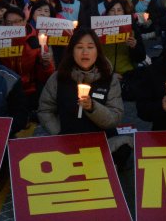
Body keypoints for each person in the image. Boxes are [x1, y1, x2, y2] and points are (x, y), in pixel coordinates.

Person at [37, 28, 131, 166]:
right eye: (79, 47)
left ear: (97, 51)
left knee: (123, 150)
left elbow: (115, 117)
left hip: (102, 141)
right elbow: (45, 110)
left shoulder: (109, 79)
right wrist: (59, 133)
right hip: (68, 142)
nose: (85, 52)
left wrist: (93, 107)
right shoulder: (58, 78)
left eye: (90, 47)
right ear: (72, 51)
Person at [0, 6, 55, 112]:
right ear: (4, 24)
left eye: (17, 21)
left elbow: (46, 77)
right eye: (9, 23)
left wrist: (46, 64)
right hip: (4, 91)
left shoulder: (35, 42)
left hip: (29, 92)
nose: (13, 26)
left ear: (24, 21)